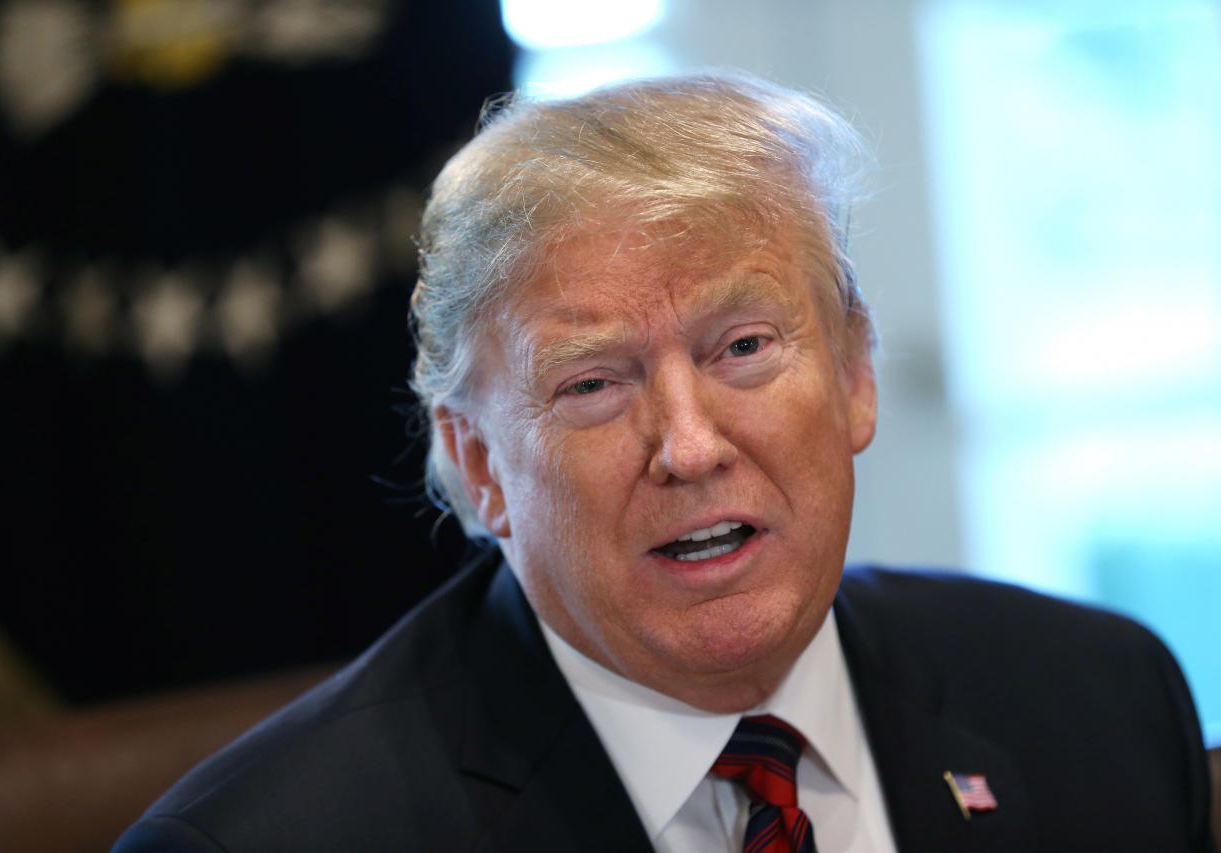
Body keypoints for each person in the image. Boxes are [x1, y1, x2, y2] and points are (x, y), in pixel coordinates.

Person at [114, 73, 1214, 852]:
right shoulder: (268, 838)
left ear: (853, 375)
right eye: (593, 383)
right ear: (478, 462)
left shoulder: (1097, 703)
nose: (688, 447)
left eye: (741, 348)